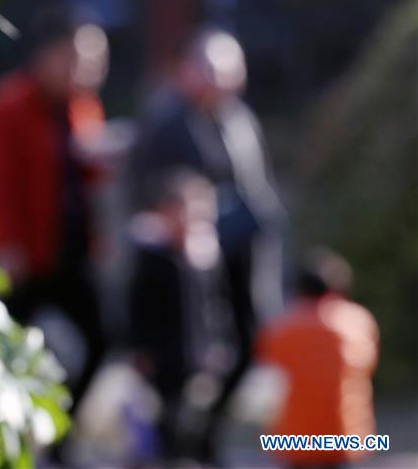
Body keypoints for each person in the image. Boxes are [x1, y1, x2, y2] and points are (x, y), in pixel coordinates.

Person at [134, 28, 284, 458]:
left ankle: (206, 436)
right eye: (212, 72)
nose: (222, 83)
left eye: (231, 73)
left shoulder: (239, 120)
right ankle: (178, 443)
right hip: (185, 269)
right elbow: (146, 193)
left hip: (239, 259)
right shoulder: (166, 122)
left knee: (247, 346)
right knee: (180, 366)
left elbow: (257, 185)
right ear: (188, 71)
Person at [0, 9, 108, 405]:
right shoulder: (6, 106)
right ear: (51, 56)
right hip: (22, 257)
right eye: (83, 59)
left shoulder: (83, 108)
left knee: (100, 338)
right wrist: (4, 244)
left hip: (68, 253)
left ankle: (56, 433)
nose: (93, 70)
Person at [127, 170, 222, 462]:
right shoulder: (153, 257)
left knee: (190, 418)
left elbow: (212, 308)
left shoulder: (201, 260)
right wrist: (140, 349)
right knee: (163, 418)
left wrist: (214, 344)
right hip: (161, 355)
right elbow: (139, 308)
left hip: (193, 352)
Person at [256, 249, 379, 469]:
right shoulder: (359, 322)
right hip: (345, 433)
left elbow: (269, 369)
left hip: (294, 437)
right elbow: (368, 365)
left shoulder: (282, 328)